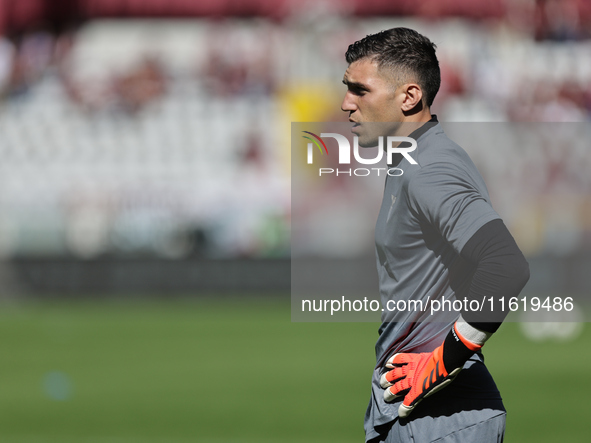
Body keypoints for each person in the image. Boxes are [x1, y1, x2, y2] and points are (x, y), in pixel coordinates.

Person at [340, 28, 530, 442]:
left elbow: (506, 265)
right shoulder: (412, 160)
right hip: (420, 412)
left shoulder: (430, 168)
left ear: (408, 97)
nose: (346, 104)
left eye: (360, 90)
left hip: (442, 419)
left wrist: (443, 361)